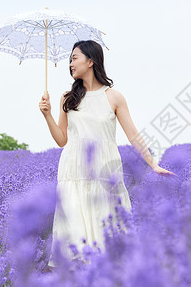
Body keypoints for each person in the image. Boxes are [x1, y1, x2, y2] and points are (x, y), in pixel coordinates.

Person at [39, 40, 175, 267]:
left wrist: (153, 164)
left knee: (107, 235)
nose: (70, 64)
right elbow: (62, 140)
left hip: (104, 172)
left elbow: (132, 135)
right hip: (73, 173)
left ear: (90, 61)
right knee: (74, 238)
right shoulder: (67, 98)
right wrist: (47, 115)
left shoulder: (114, 97)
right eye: (70, 59)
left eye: (75, 58)